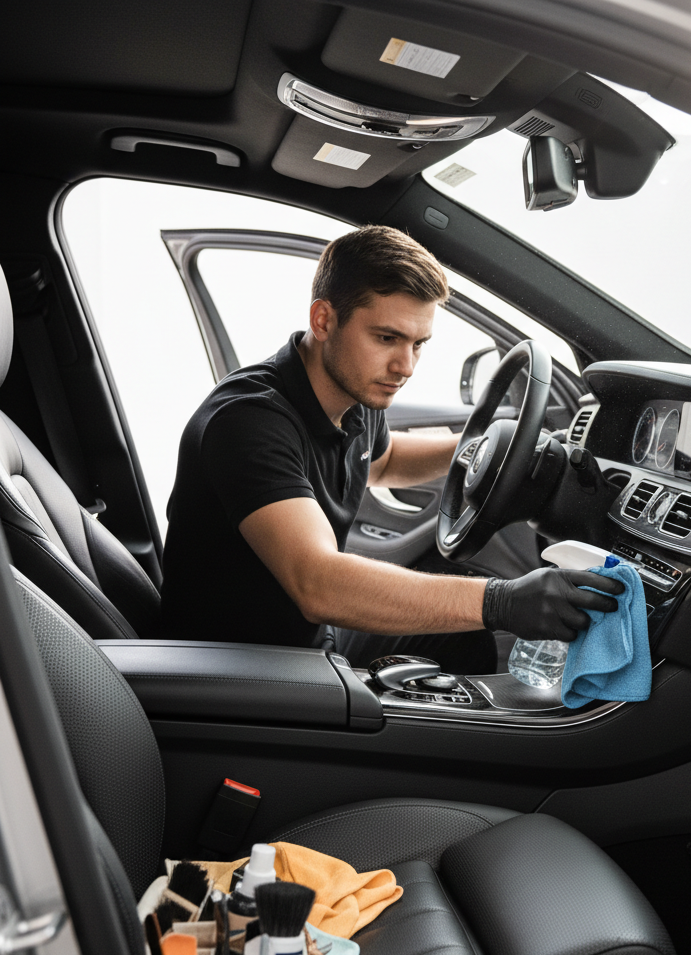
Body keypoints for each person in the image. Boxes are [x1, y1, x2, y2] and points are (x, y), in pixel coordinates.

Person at [159, 225, 622, 674]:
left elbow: (384, 461)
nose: (405, 366)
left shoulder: (354, 390)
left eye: (419, 344)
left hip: (304, 637)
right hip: (241, 666)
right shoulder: (248, 421)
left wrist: (484, 445)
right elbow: (318, 584)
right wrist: (500, 600)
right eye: (387, 338)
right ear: (323, 320)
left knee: (461, 636)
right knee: (475, 616)